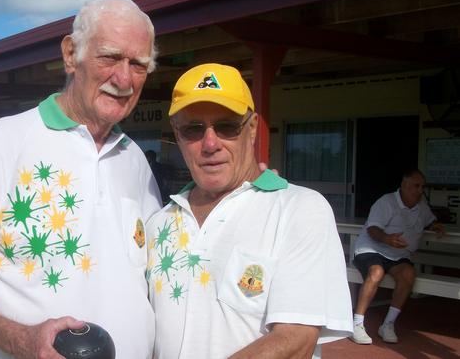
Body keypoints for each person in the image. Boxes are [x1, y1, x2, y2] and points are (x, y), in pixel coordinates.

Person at [0, 0, 162, 358]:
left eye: (138, 64)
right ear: (70, 54)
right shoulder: (3, 142)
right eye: (109, 57)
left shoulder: (134, 159)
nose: (123, 78)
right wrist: (21, 340)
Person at [146, 63, 353, 358]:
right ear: (177, 136)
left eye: (227, 126)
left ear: (252, 128)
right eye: (193, 129)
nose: (210, 143)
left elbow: (296, 340)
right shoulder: (159, 222)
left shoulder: (300, 210)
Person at [351, 169, 445, 345]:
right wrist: (387, 238)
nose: (419, 190)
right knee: (376, 272)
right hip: (371, 249)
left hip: (398, 255)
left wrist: (435, 225)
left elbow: (429, 220)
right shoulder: (386, 202)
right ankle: (357, 323)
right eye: (416, 186)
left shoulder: (421, 205)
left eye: (422, 187)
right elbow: (372, 229)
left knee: (408, 274)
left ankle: (388, 324)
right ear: (404, 185)